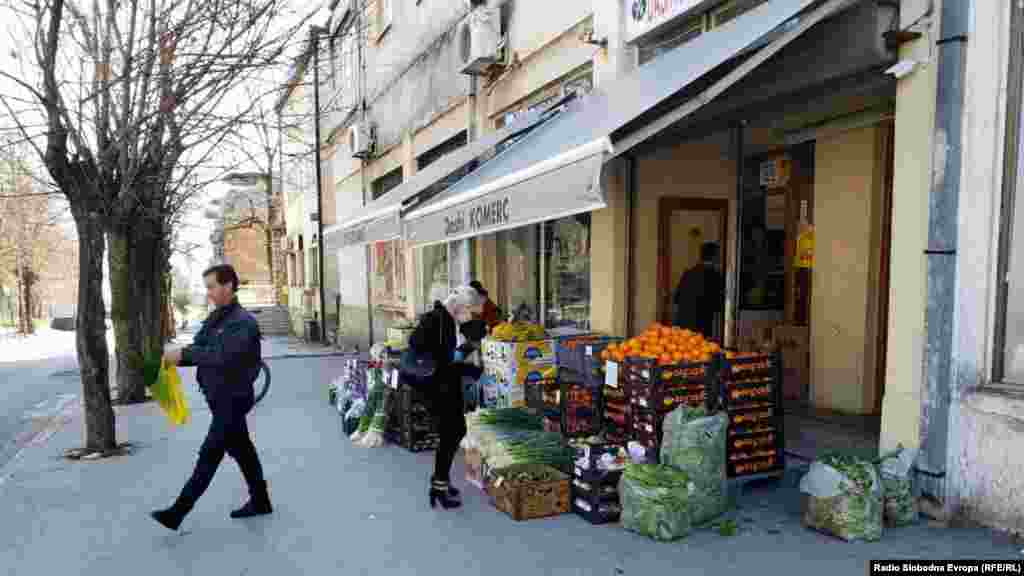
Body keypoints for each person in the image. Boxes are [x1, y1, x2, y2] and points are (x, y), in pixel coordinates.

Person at [150, 264, 271, 531]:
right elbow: (201, 347)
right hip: (219, 398)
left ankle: (177, 512)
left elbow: (222, 357)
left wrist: (184, 355)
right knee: (242, 450)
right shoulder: (218, 318)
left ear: (228, 286)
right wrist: (177, 356)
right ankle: (261, 500)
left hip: (233, 399)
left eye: (211, 286)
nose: (208, 293)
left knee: (210, 453)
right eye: (206, 287)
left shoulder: (242, 322)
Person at [408, 285, 483, 510]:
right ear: (459, 306)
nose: (469, 315)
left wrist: (463, 355)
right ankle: (439, 487)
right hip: (438, 388)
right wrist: (465, 360)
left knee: (453, 433)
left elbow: (446, 357)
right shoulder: (438, 320)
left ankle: (441, 482)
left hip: (444, 386)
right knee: (452, 433)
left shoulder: (446, 320)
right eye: (468, 310)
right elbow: (434, 355)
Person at [673, 242, 725, 339]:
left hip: (682, 325)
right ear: (715, 257)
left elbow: (676, 299)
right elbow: (718, 305)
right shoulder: (715, 276)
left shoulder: (688, 273)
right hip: (702, 328)